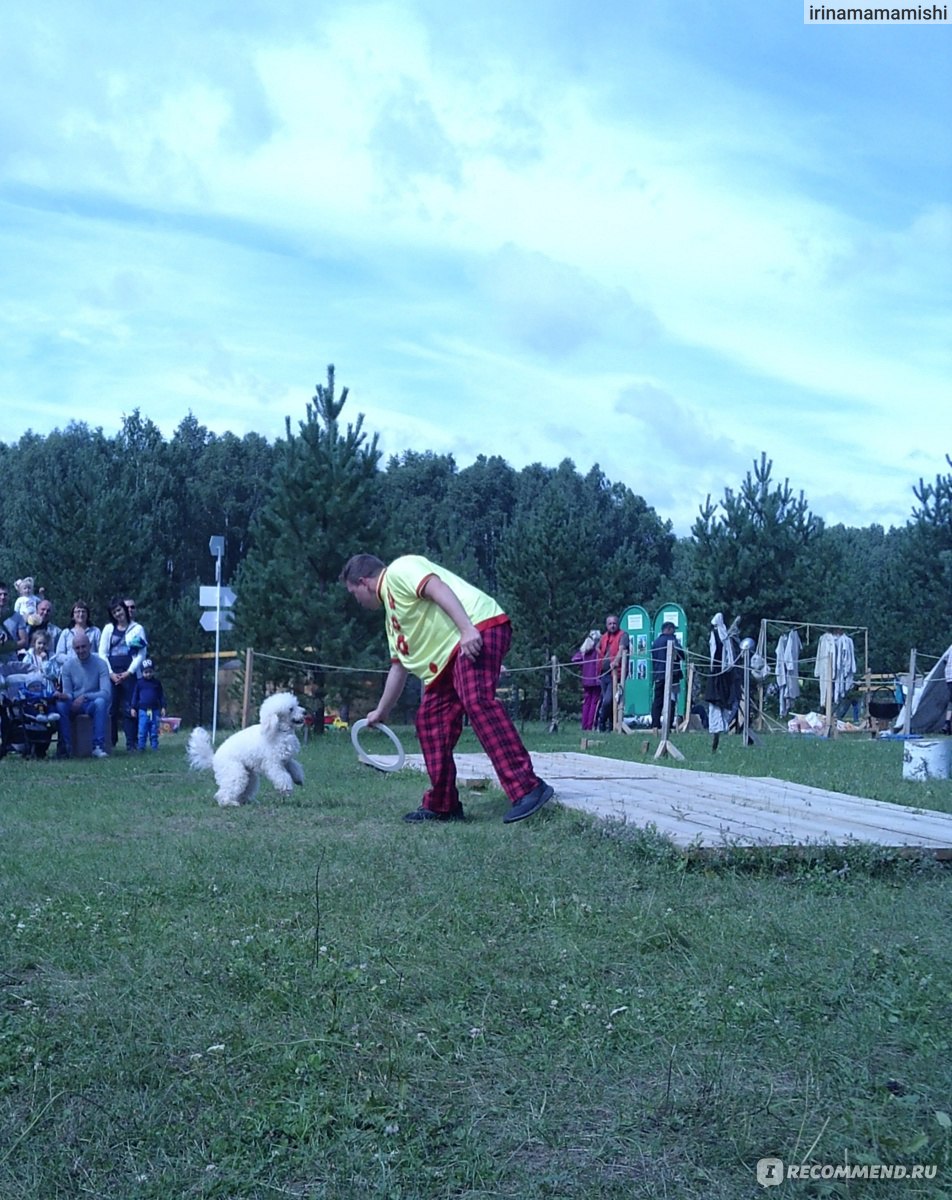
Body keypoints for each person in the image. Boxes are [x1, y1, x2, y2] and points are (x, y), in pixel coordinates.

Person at [341, 553, 554, 823]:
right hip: (448, 660)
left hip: (478, 627)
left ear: (363, 582)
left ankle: (528, 788)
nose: (356, 601)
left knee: (476, 701)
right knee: (430, 721)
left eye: (353, 593)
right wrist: (381, 711)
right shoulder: (393, 619)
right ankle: (443, 805)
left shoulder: (400, 569)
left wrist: (467, 630)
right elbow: (398, 667)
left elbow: (436, 588)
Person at [99, 598, 148, 751]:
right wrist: (111, 673)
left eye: (119, 610)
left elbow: (141, 654)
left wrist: (129, 672)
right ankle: (110, 742)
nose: (118, 614)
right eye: (114, 612)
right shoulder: (108, 629)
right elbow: (102, 653)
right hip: (112, 673)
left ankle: (131, 743)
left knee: (130, 708)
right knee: (111, 708)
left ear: (125, 610)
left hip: (130, 673)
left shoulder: (137, 628)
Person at [53, 630, 111, 758]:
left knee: (101, 702)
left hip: (90, 703)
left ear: (90, 645)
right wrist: (64, 696)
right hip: (73, 702)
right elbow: (68, 692)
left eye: (83, 646)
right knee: (60, 705)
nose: (81, 650)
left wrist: (85, 697)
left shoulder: (101, 664)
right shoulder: (68, 666)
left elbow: (106, 693)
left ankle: (98, 746)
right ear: (73, 649)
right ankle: (66, 746)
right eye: (77, 648)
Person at [705, 612, 742, 752]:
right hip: (722, 673)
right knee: (717, 703)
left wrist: (715, 669)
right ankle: (716, 731)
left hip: (719, 674)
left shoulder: (719, 635)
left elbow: (716, 654)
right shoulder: (723, 635)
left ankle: (719, 731)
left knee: (721, 702)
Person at [596, 614, 630, 732]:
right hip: (604, 673)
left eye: (614, 623)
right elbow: (597, 647)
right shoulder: (604, 637)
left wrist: (616, 661)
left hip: (616, 673)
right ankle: (610, 726)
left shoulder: (623, 635)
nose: (612, 625)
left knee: (608, 700)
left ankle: (601, 723)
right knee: (608, 701)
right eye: (610, 624)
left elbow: (622, 650)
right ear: (606, 625)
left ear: (618, 624)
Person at [650, 621, 685, 732]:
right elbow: (681, 655)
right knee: (671, 700)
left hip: (658, 675)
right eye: (673, 629)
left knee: (658, 701)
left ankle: (655, 725)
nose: (674, 631)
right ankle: (668, 725)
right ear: (669, 629)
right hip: (672, 675)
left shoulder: (655, 642)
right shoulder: (672, 640)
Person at [130, 658, 167, 751]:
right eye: (146, 672)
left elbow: (161, 695)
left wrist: (163, 707)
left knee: (154, 730)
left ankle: (155, 747)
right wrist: (133, 707)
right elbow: (135, 696)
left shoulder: (156, 683)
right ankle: (141, 748)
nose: (148, 674)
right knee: (142, 730)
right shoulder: (139, 683)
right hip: (143, 710)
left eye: (150, 672)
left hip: (154, 710)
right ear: (142, 672)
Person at [55, 600, 101, 667]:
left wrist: (87, 657)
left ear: (87, 614)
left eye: (83, 611)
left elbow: (101, 653)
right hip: (71, 669)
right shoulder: (66, 633)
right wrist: (73, 659)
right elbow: (59, 655)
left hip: (91, 669)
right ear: (72, 616)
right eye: (78, 611)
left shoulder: (95, 631)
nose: (81, 614)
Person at [572, 628, 602, 731]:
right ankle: (590, 725)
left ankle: (584, 725)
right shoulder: (598, 650)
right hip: (596, 680)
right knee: (594, 703)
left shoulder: (585, 650)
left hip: (586, 680)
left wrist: (583, 666)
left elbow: (575, 659)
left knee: (586, 703)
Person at [0, 580, 29, 659]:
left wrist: (7, 647)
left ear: (8, 596)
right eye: (0, 594)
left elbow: (24, 641)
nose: (2, 597)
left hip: (10, 661)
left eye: (5, 594)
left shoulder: (17, 616)